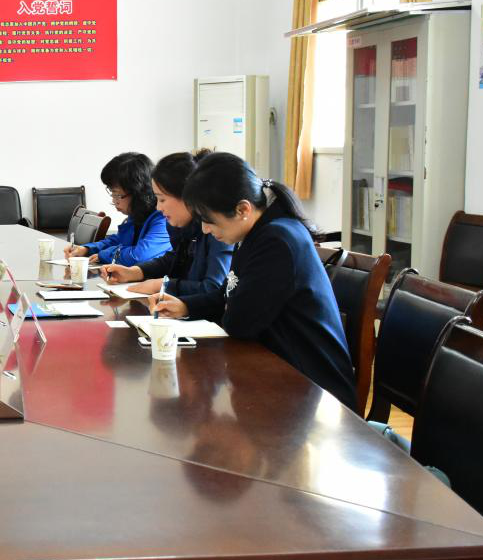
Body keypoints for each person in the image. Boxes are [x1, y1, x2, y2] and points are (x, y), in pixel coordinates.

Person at [150, 152, 356, 409]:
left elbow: (239, 323)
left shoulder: (276, 242)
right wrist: (185, 306)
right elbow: (228, 294)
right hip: (278, 373)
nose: (204, 229)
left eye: (208, 219)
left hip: (312, 391)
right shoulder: (255, 232)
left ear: (243, 210)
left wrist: (227, 307)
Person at [99, 150, 233, 296]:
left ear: (187, 196)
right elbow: (173, 260)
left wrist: (163, 285)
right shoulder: (181, 227)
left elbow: (214, 288)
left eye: (162, 199)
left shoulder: (217, 231)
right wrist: (135, 272)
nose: (158, 207)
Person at [65, 152, 170, 266]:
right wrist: (87, 249)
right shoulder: (138, 213)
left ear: (138, 192)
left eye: (117, 194)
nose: (114, 200)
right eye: (112, 192)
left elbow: (139, 256)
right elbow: (120, 239)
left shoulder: (164, 218)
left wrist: (104, 255)